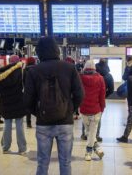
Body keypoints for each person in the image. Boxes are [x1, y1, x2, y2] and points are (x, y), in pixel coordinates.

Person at [24, 37, 84, 175]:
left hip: (43, 123)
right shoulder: (69, 68)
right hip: (65, 122)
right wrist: (69, 110)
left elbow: (27, 100)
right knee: (65, 162)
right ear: (57, 50)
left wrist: (39, 113)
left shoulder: (33, 71)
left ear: (39, 52)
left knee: (43, 162)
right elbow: (80, 94)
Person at [0, 55, 28, 154]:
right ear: (18, 61)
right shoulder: (20, 71)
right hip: (18, 100)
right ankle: (22, 148)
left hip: (6, 101)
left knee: (7, 124)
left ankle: (5, 147)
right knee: (19, 124)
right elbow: (25, 86)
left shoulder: (1, 72)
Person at [79, 60, 106, 161]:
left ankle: (96, 149)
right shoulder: (100, 78)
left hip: (84, 109)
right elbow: (102, 95)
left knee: (89, 132)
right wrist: (102, 108)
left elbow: (77, 93)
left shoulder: (80, 78)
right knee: (91, 132)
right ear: (95, 68)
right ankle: (89, 151)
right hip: (96, 110)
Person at [24, 57, 37, 128]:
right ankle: (39, 120)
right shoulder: (37, 68)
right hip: (36, 90)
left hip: (27, 90)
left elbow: (23, 80)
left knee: (28, 107)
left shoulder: (25, 69)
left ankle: (28, 123)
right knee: (37, 105)